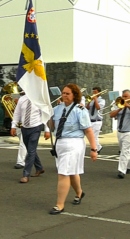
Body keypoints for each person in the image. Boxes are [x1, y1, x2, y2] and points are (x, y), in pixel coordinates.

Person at [48, 83, 98, 215]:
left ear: (74, 95)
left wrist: (94, 149)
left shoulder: (80, 110)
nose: (64, 95)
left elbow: (88, 130)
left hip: (74, 143)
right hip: (60, 143)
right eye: (63, 93)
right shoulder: (57, 109)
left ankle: (60, 204)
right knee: (71, 172)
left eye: (67, 93)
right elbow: (52, 125)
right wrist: (46, 116)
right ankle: (79, 193)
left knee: (63, 173)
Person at [11, 90, 50, 183]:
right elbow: (17, 114)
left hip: (36, 127)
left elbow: (45, 115)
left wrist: (47, 130)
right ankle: (39, 167)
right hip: (25, 128)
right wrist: (13, 126)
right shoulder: (22, 99)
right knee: (30, 149)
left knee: (31, 151)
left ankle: (26, 174)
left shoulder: (39, 100)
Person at [110, 89, 130, 179]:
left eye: (126, 96)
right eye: (123, 96)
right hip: (120, 132)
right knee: (125, 150)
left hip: (129, 132)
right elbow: (111, 115)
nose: (124, 98)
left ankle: (121, 171)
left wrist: (128, 106)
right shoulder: (119, 105)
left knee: (124, 151)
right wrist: (119, 108)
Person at [86, 86, 105, 154]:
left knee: (94, 137)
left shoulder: (102, 100)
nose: (93, 93)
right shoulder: (91, 100)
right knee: (91, 137)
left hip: (97, 121)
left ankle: (95, 150)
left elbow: (98, 107)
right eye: (93, 92)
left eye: (95, 92)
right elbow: (87, 108)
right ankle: (98, 147)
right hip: (90, 120)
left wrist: (95, 99)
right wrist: (89, 101)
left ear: (99, 93)